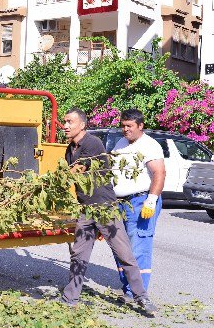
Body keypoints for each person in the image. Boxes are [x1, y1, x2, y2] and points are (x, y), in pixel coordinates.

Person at [60, 108, 157, 315]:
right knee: (79, 254)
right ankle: (70, 298)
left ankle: (141, 297)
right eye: (64, 122)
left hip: (105, 209)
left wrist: (50, 181)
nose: (65, 126)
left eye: (70, 122)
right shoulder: (70, 149)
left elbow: (77, 170)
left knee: (124, 253)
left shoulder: (92, 143)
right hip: (86, 209)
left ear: (82, 125)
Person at [111, 108, 165, 300]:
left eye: (129, 126)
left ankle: (137, 292)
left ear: (140, 126)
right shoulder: (121, 143)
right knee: (121, 247)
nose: (125, 130)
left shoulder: (149, 145)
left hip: (140, 201)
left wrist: (151, 200)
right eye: (123, 126)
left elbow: (159, 173)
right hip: (120, 204)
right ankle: (127, 287)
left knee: (138, 246)